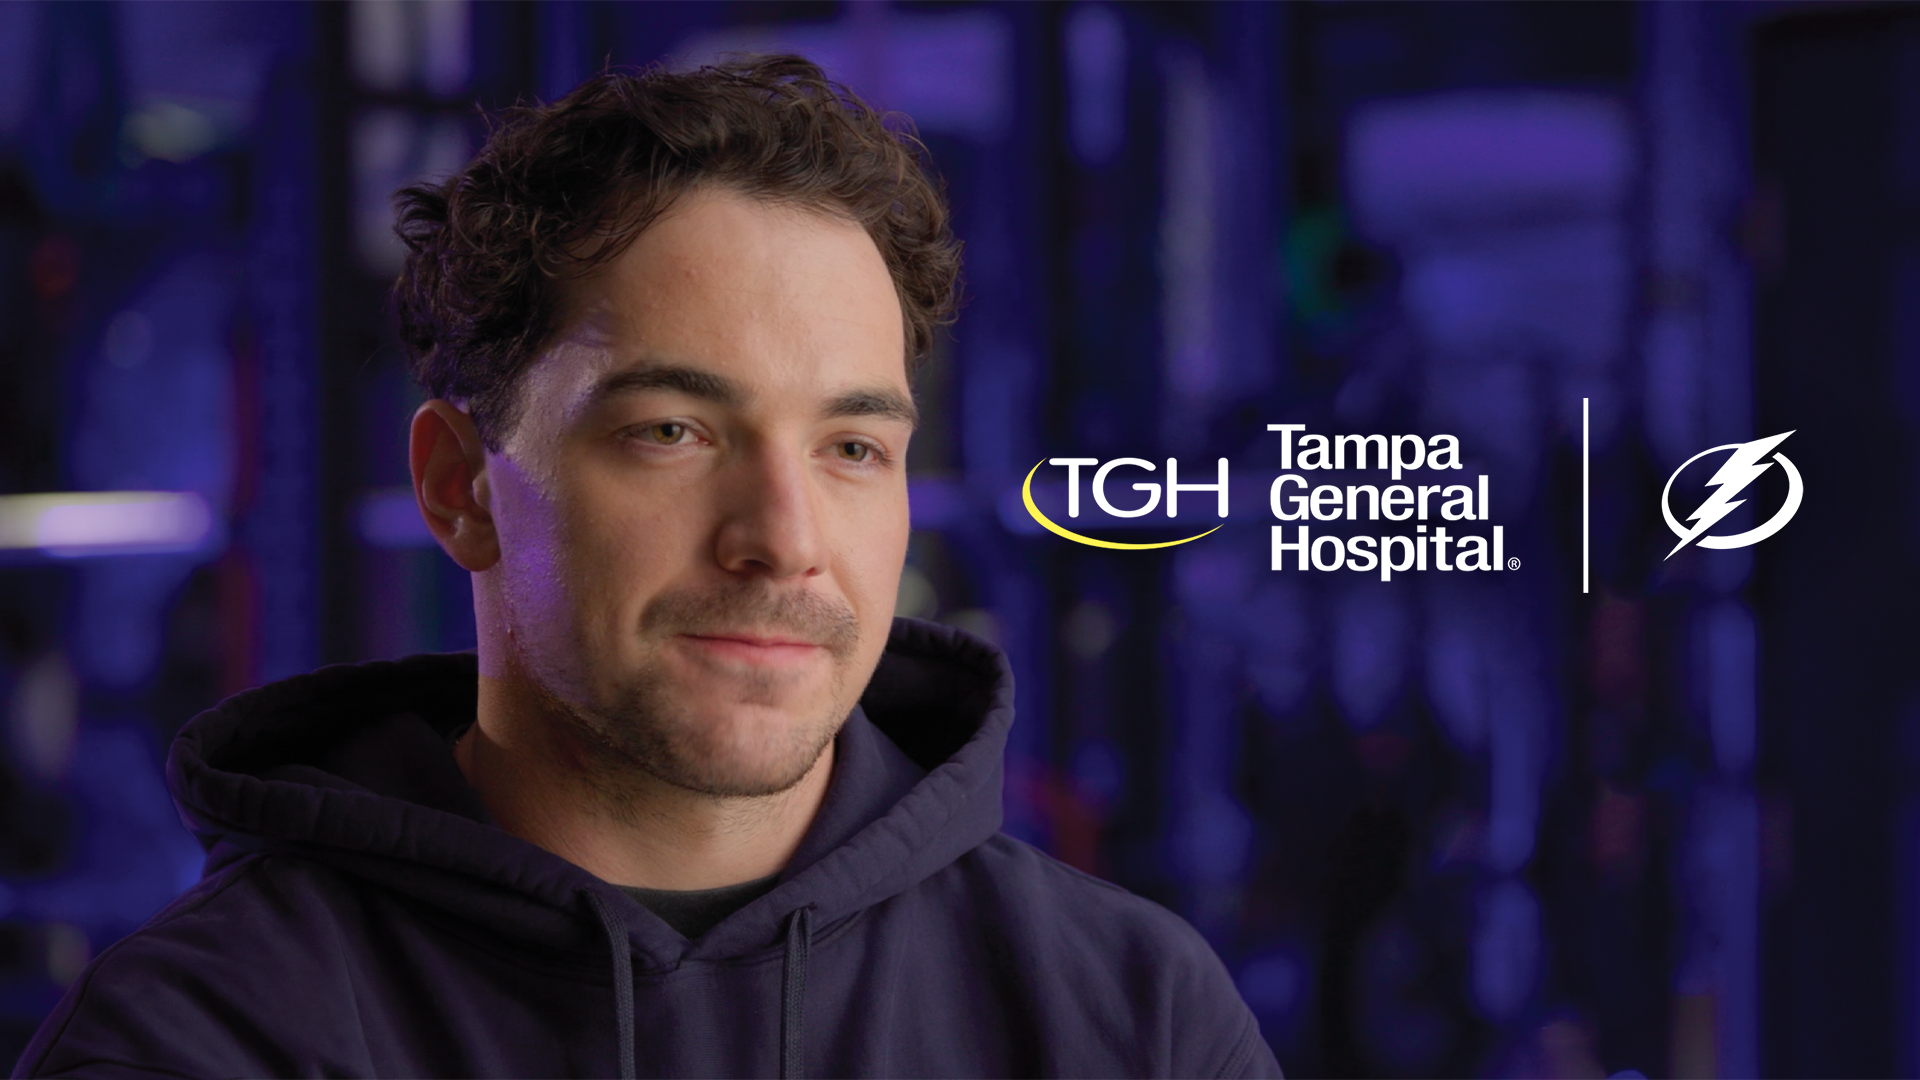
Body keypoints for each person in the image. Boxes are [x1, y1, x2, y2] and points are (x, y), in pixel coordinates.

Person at [13, 56, 1283, 1080]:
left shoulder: (1129, 1019)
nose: (782, 536)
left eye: (851, 446)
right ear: (462, 488)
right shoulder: (213, 1038)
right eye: (672, 432)